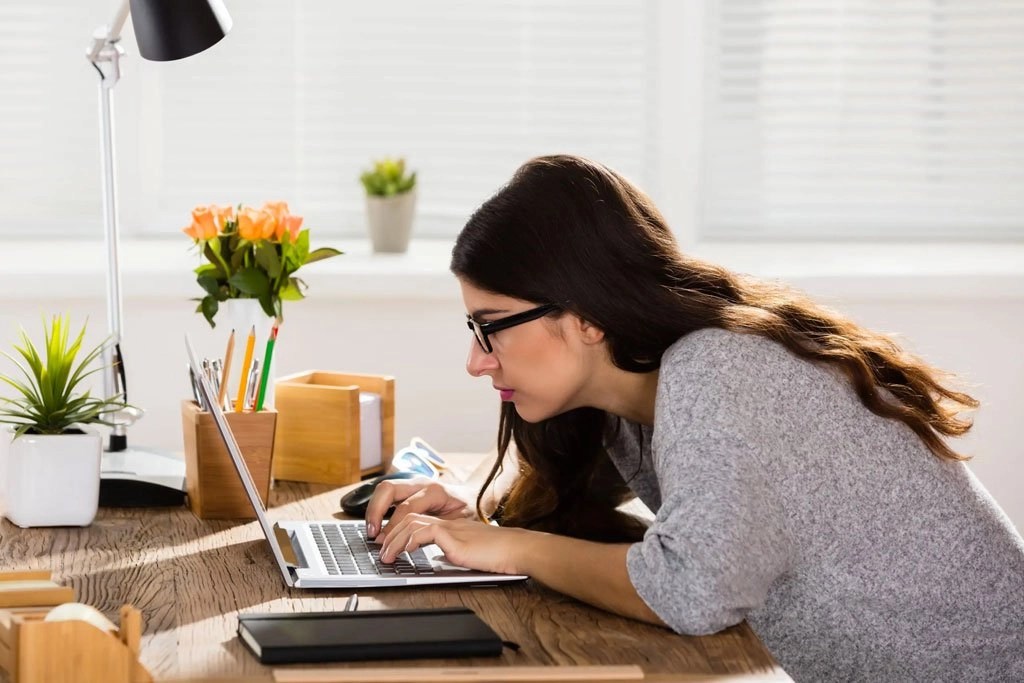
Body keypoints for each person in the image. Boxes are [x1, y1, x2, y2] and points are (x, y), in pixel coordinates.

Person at [365, 154, 1024, 681]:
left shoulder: (719, 369)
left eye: (490, 328)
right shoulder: (629, 400)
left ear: (586, 316)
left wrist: (503, 544)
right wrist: (478, 516)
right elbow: (673, 539)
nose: (476, 362)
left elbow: (691, 590)